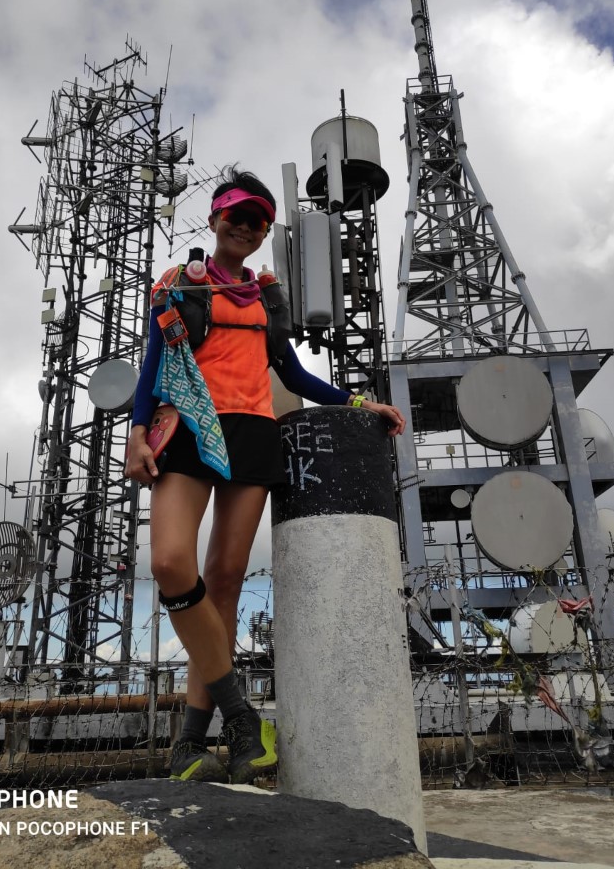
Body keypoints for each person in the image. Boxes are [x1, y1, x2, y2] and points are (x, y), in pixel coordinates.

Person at [125, 165, 406, 784]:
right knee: (173, 564)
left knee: (224, 583)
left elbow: (296, 378)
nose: (246, 227)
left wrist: (358, 404)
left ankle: (190, 745)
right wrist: (136, 432)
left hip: (254, 434)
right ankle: (241, 717)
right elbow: (150, 368)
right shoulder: (179, 285)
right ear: (216, 218)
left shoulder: (267, 298)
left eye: (259, 220)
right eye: (236, 215)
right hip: (190, 429)